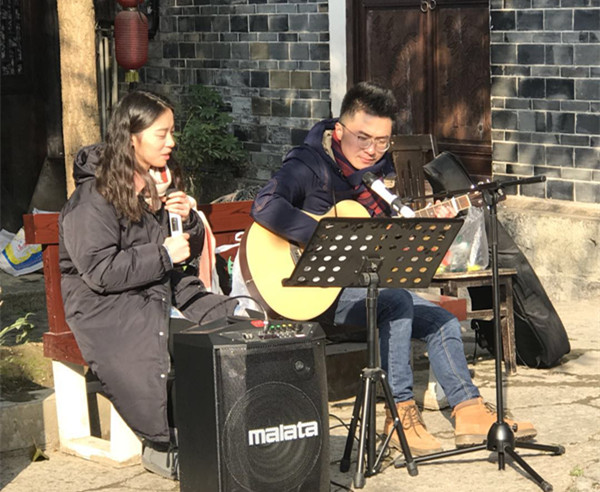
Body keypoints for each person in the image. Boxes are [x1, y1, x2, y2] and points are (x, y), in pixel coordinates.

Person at [249, 81, 537, 456]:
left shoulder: (377, 171)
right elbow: (266, 206)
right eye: (363, 138)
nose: (372, 150)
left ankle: (469, 411)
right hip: (309, 292)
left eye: (382, 141)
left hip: (361, 285)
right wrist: (327, 236)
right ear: (340, 131)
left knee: (441, 320)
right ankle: (399, 415)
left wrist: (421, 229)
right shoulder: (308, 164)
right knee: (396, 301)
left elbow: (384, 237)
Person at [58, 90, 236, 478]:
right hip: (108, 308)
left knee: (239, 323)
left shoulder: (150, 186)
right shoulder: (92, 198)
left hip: (158, 292)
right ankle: (165, 443)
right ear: (132, 138)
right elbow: (100, 271)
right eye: (162, 133)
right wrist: (163, 255)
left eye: (172, 132)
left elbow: (180, 255)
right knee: (190, 342)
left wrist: (187, 221)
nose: (171, 142)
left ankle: (232, 432)